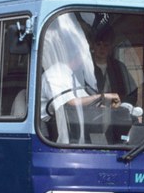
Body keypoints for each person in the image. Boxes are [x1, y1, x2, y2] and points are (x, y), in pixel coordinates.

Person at [40, 14, 122, 143]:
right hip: (50, 137)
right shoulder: (56, 74)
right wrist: (102, 96)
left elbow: (84, 100)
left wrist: (103, 106)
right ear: (77, 52)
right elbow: (71, 103)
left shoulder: (71, 75)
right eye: (87, 51)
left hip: (73, 130)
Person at [90, 27, 137, 106]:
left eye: (106, 45)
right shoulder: (87, 66)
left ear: (110, 47)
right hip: (91, 112)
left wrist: (115, 105)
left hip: (116, 113)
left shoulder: (119, 67)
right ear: (92, 46)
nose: (102, 48)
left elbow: (132, 94)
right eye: (98, 44)